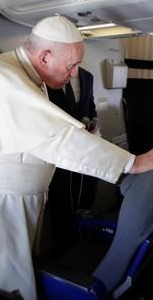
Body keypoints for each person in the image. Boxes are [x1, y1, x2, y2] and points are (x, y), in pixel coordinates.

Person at [0, 15, 153, 300]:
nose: (74, 73)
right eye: (72, 64)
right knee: (5, 282)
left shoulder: (24, 74)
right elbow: (59, 137)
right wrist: (131, 162)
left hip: (19, 200)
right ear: (46, 56)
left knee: (22, 272)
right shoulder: (1, 77)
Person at [46, 67, 100, 254]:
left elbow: (89, 104)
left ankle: (81, 238)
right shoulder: (49, 76)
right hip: (58, 148)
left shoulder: (87, 76)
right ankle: (61, 245)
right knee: (61, 197)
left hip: (82, 147)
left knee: (83, 193)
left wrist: (93, 120)